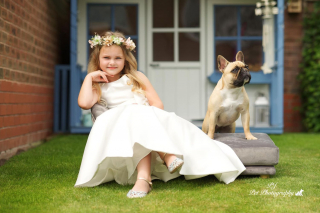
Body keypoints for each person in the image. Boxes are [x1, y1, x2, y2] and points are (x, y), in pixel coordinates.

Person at [75, 31, 246, 198]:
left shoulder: (136, 77)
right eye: (106, 58)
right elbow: (84, 103)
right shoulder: (99, 85)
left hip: (148, 120)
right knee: (132, 113)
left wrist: (141, 111)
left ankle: (145, 178)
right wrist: (90, 77)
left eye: (117, 58)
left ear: (125, 59)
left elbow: (157, 104)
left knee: (138, 114)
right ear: (97, 59)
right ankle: (164, 157)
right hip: (121, 130)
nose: (112, 62)